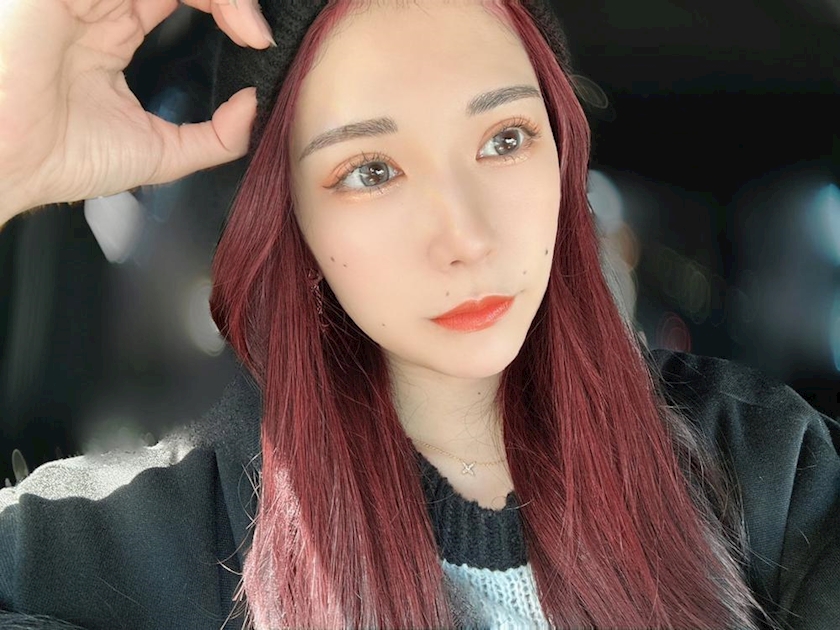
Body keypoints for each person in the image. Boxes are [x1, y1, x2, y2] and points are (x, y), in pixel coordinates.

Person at [0, 1, 838, 629]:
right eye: (371, 171)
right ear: (289, 218)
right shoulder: (130, 543)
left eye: (505, 139)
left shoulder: (764, 470)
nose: (465, 238)